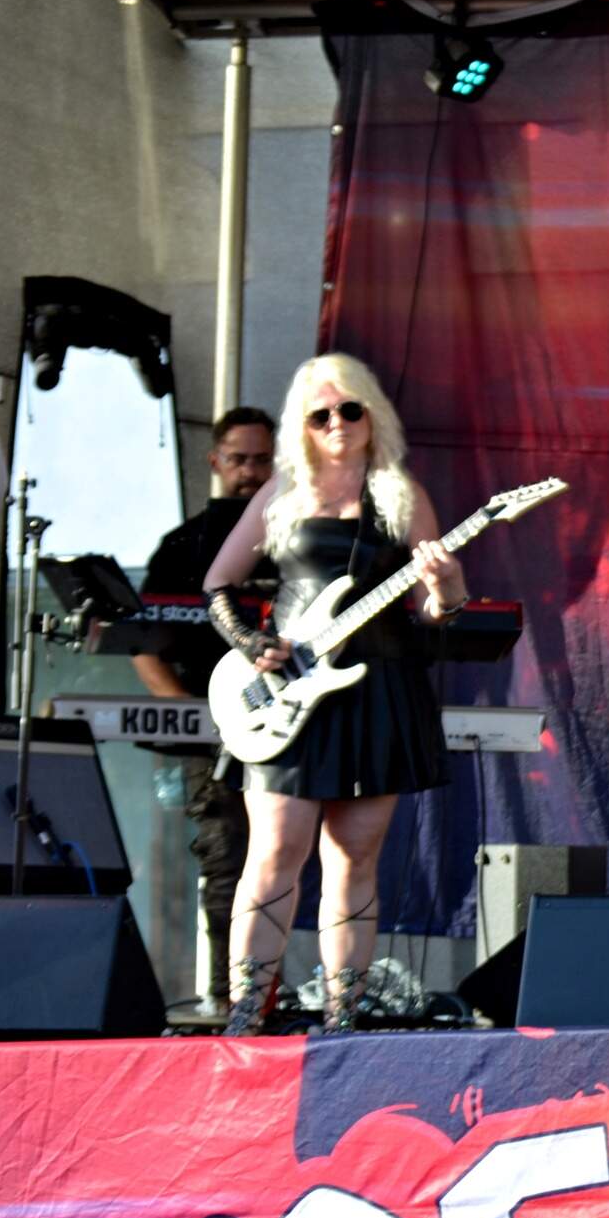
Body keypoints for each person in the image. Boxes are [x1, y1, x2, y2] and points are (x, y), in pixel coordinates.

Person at [203, 354, 465, 1033]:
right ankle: (245, 1010)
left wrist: (447, 588)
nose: (337, 423)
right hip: (289, 684)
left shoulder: (401, 496)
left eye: (350, 409)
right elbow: (219, 583)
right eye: (320, 415)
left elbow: (434, 611)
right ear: (302, 423)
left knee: (353, 858)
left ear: (372, 413)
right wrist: (252, 643)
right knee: (274, 851)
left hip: (376, 685)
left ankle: (343, 1015)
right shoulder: (282, 491)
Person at [132, 406, 277, 1013]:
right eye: (239, 459)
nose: (250, 472)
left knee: (302, 859)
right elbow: (141, 644)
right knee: (226, 856)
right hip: (215, 730)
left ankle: (299, 999)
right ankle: (228, 1001)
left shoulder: (299, 537)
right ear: (215, 461)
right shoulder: (182, 545)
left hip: (297, 721)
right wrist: (190, 711)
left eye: (262, 460)